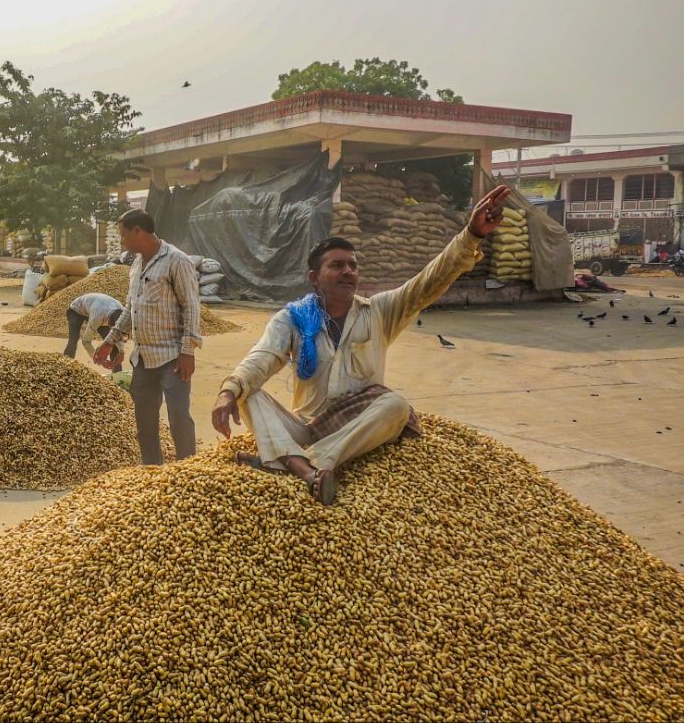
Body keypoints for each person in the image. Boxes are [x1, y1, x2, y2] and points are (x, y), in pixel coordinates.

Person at [211, 185, 511, 505]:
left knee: (395, 406)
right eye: (337, 266)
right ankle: (301, 463)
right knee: (249, 393)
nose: (348, 272)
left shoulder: (379, 312)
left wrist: (471, 235)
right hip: (305, 426)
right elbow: (263, 356)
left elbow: (429, 282)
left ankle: (301, 464)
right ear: (314, 276)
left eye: (352, 265)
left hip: (358, 430)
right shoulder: (294, 318)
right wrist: (228, 391)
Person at [94, 209, 201, 465]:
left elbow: (192, 307)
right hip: (142, 358)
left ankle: (188, 472)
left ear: (137, 231)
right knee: (145, 423)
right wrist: (111, 340)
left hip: (172, 357)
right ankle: (152, 473)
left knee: (178, 419)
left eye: (123, 235)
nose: (121, 241)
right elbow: (131, 309)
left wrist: (188, 351)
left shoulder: (176, 260)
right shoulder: (136, 265)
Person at [64, 292, 124, 368]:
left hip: (96, 308)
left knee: (113, 343)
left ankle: (117, 375)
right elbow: (86, 341)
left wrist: (122, 352)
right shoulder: (97, 318)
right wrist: (100, 361)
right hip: (76, 311)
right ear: (108, 323)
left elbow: (120, 335)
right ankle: (65, 367)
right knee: (73, 340)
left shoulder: (123, 313)